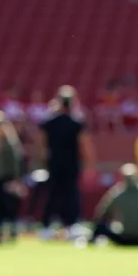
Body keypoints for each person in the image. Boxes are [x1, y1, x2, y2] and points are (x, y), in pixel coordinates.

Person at [40, 86, 95, 239]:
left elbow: (43, 147)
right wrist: (90, 165)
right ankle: (71, 225)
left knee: (53, 194)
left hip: (54, 164)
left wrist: (44, 164)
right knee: (71, 193)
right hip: (71, 165)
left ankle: (47, 226)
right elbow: (84, 145)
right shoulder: (76, 123)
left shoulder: (49, 122)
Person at [90, 164, 138, 247]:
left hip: (125, 239)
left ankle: (92, 241)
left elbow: (101, 213)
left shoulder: (118, 193)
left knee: (101, 226)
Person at [0, 110, 25, 244]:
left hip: (6, 179)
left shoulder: (10, 142)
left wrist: (15, 179)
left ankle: (11, 231)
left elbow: (16, 161)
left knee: (9, 206)